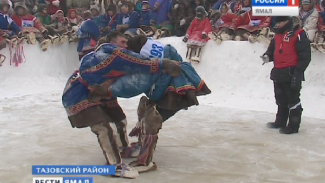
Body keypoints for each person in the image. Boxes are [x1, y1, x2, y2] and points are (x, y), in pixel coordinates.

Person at [62, 31, 183, 178]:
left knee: (120, 120)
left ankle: (122, 148)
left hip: (101, 91)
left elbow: (132, 61)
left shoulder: (113, 54)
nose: (127, 45)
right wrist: (161, 64)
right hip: (78, 94)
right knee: (103, 128)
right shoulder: (105, 55)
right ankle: (114, 166)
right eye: (123, 42)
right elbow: (133, 61)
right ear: (113, 43)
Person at [261, 16, 311, 134]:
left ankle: (293, 125)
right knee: (280, 99)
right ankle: (280, 121)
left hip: (292, 71)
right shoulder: (277, 34)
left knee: (293, 99)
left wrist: (298, 72)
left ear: (287, 22)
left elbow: (305, 56)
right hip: (278, 71)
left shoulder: (299, 33)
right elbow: (272, 50)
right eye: (277, 22)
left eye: (281, 22)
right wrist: (267, 56)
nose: (278, 25)